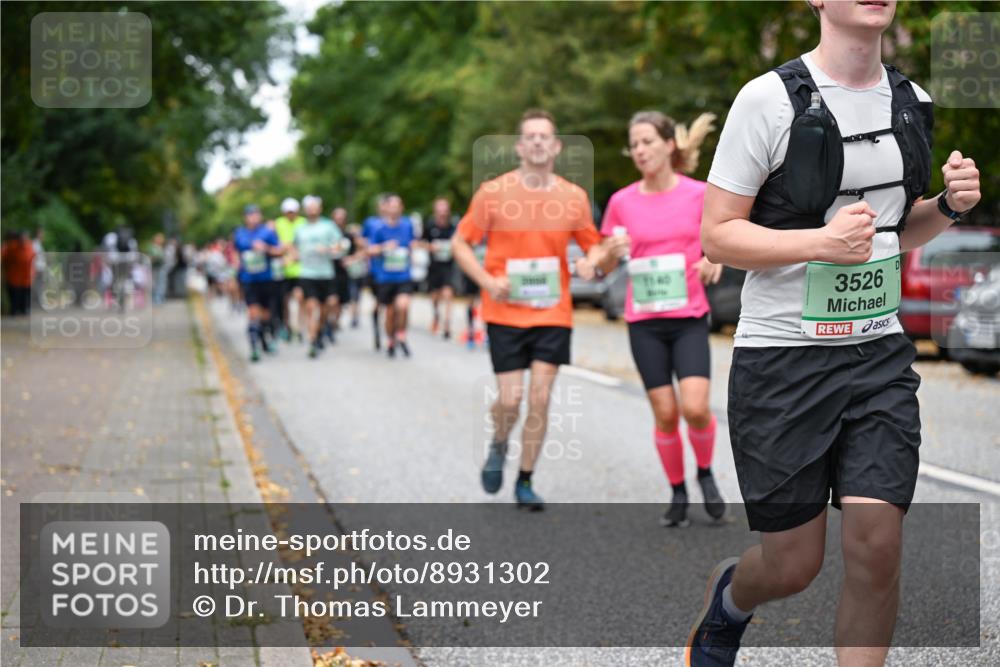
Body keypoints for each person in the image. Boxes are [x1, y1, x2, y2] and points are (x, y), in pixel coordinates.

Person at [685, 2, 982, 665]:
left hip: (877, 354)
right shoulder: (766, 101)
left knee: (877, 541)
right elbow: (719, 233)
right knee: (793, 563)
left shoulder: (911, 101)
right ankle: (730, 598)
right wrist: (818, 241)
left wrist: (951, 207)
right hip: (784, 359)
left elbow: (893, 232)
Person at [452, 109, 610, 511]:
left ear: (556, 146)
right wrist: (487, 282)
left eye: (545, 136)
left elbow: (593, 244)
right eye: (530, 136)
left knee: (539, 399)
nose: (538, 142)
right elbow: (460, 244)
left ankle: (525, 480)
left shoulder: (573, 198)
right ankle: (500, 441)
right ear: (520, 147)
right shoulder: (492, 192)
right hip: (504, 310)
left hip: (552, 312)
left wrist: (593, 261)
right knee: (510, 400)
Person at [600, 111, 725, 528]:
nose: (639, 150)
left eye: (647, 141)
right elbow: (601, 264)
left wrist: (712, 260)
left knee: (694, 407)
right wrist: (609, 252)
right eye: (634, 144)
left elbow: (720, 241)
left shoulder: (699, 194)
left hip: (688, 316)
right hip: (645, 322)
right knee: (666, 412)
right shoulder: (621, 202)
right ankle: (677, 490)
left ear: (669, 145)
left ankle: (705, 472)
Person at [368, 193, 416, 358]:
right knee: (389, 312)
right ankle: (390, 339)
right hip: (385, 277)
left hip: (404, 275)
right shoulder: (377, 227)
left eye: (398, 205)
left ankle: (401, 334)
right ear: (386, 207)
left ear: (402, 208)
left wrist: (412, 249)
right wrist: (384, 247)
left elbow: (412, 244)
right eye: (392, 205)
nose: (395, 208)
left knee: (403, 306)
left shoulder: (408, 224)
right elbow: (370, 250)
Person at [233, 204, 283, 362]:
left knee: (266, 315)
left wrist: (266, 248)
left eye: (256, 214)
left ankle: (264, 339)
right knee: (253, 312)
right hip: (249, 279)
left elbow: (279, 250)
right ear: (245, 217)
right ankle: (254, 347)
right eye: (250, 215)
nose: (253, 217)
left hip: (266, 279)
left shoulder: (268, 232)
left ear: (260, 216)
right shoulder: (240, 233)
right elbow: (235, 252)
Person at [295, 195, 342, 358]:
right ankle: (313, 340)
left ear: (320, 209)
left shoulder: (328, 226)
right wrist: (293, 256)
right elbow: (294, 248)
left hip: (326, 273)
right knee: (312, 306)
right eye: (309, 207)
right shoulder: (300, 228)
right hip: (307, 274)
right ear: (305, 210)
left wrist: (329, 249)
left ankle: (320, 329)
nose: (312, 210)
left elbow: (340, 245)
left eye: (315, 207)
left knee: (327, 306)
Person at [421, 197, 458, 339]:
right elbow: (420, 242)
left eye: (445, 210)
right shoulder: (430, 226)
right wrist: (431, 247)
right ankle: (436, 315)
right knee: (435, 296)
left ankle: (447, 324)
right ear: (435, 211)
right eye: (440, 210)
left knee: (448, 294)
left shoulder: (453, 227)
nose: (442, 213)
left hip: (448, 266)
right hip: (434, 266)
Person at [275, 197, 307, 343]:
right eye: (288, 212)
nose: (291, 214)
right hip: (284, 270)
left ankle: (300, 328)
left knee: (300, 299)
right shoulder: (278, 223)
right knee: (285, 301)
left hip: (301, 269)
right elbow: (278, 245)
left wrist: (291, 250)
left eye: (293, 212)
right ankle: (287, 327)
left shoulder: (303, 223)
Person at [362, 194, 391, 349]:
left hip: (393, 271)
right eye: (383, 205)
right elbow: (362, 240)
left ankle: (390, 334)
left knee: (391, 304)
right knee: (379, 303)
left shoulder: (397, 223)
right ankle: (377, 330)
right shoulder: (371, 223)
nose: (385, 208)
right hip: (375, 269)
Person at [2, 231, 36, 316]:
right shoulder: (11, 247)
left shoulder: (30, 247)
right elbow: (4, 259)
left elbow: (33, 260)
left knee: (25, 296)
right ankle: (14, 311)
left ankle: (24, 310)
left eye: (24, 238)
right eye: (21, 239)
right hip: (13, 278)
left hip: (26, 278)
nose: (23, 240)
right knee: (14, 296)